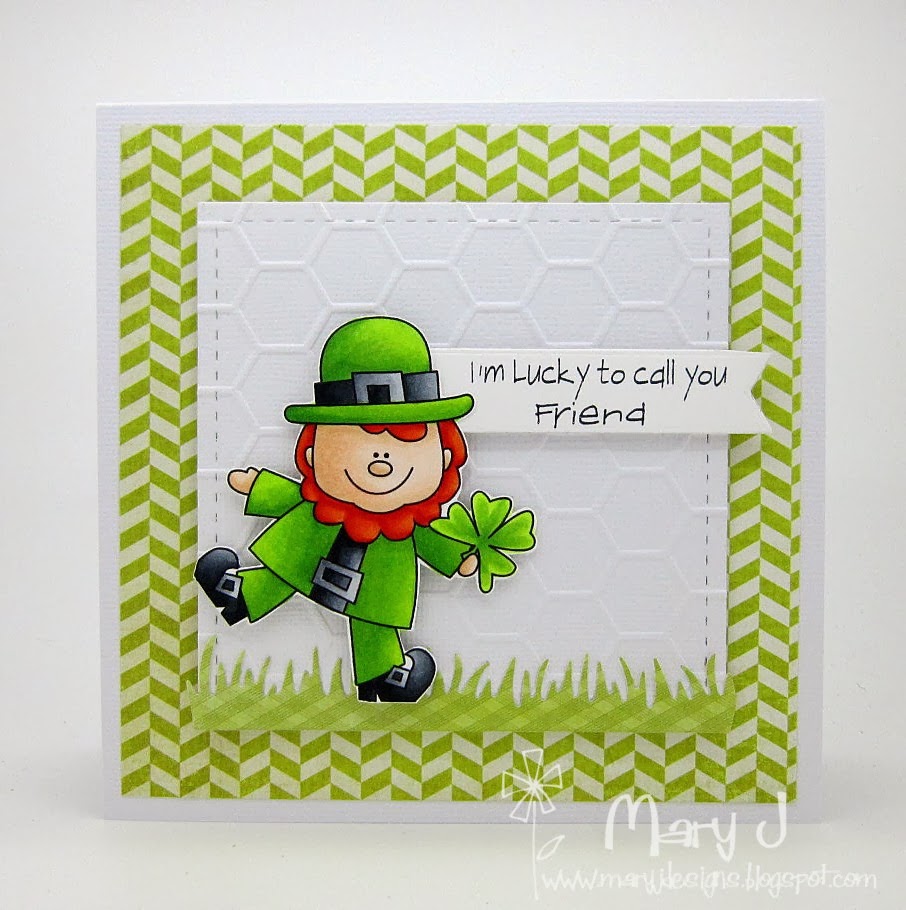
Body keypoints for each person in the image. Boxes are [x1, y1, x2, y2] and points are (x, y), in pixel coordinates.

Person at [195, 316, 479, 702]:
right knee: (285, 571)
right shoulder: (321, 501)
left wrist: (460, 557)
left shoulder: (411, 524)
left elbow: (433, 541)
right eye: (355, 441)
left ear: (445, 456)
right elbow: (294, 495)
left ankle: (384, 675)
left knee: (373, 619)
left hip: (376, 581)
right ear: (312, 452)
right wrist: (257, 486)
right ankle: (236, 593)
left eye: (404, 440)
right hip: (312, 547)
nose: (380, 458)